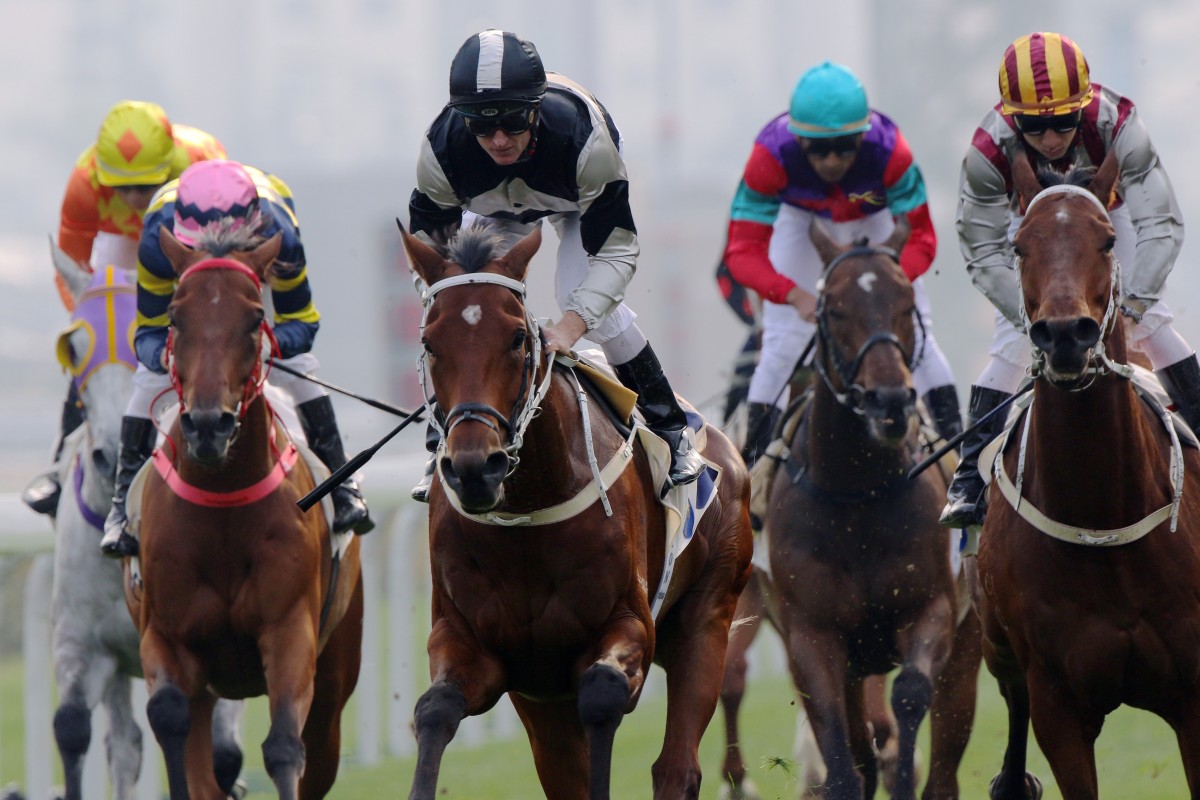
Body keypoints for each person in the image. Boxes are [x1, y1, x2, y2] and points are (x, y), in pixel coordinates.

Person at [406, 28, 705, 501]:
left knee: (586, 302)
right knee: (460, 314)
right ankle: (441, 440)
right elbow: (430, 263)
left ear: (537, 108)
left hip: (577, 199)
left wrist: (569, 327)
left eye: (512, 120)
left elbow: (616, 251)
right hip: (493, 209)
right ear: (462, 121)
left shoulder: (584, 142)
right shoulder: (441, 152)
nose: (499, 139)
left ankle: (670, 427)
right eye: (482, 126)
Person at [941, 31, 1200, 528]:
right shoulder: (986, 151)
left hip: (1109, 215)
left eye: (1063, 121)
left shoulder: (1119, 123)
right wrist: (1027, 315)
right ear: (1011, 118)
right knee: (1009, 345)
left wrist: (1135, 303)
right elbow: (982, 248)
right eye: (1034, 127)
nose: (1051, 138)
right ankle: (969, 482)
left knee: (1155, 325)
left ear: (1083, 106)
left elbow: (1160, 224)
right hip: (1033, 224)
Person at [99, 159, 372, 558]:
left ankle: (344, 488)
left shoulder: (280, 233)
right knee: (147, 382)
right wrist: (164, 353)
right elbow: (148, 332)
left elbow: (303, 323)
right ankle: (120, 512)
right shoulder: (159, 237)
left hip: (248, 308)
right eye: (195, 249)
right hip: (194, 316)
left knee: (299, 371)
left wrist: (266, 343)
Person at [723, 60, 962, 469]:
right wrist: (792, 294)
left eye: (846, 145)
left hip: (871, 214)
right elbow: (742, 252)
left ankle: (961, 464)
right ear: (798, 141)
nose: (832, 160)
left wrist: (893, 282)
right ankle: (755, 475)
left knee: (918, 337)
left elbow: (922, 235)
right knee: (782, 345)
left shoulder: (890, 151)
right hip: (802, 218)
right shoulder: (768, 156)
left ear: (863, 137)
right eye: (818, 148)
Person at [22, 100, 226, 518]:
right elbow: (71, 272)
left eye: (146, 186)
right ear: (102, 177)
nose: (133, 197)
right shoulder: (83, 184)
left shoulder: (204, 163)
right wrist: (96, 326)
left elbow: (222, 260)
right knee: (94, 347)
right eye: (123, 188)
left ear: (169, 171)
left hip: (191, 241)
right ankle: (61, 464)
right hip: (124, 245)